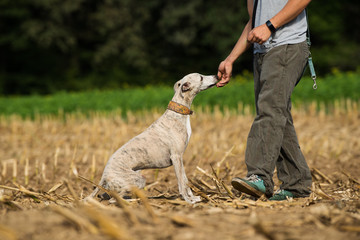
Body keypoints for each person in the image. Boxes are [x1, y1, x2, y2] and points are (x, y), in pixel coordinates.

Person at [216, 0, 313, 200]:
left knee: (270, 111)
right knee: (279, 116)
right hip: (262, 53)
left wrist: (270, 26)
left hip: (287, 46)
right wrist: (230, 59)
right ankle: (296, 185)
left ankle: (259, 175)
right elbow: (253, 23)